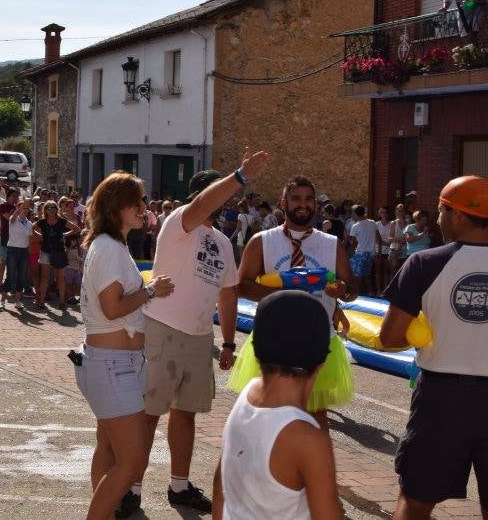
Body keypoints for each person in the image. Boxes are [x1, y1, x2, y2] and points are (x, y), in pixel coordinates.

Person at [134, 157, 262, 517]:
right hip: (163, 328)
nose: (221, 206)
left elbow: (227, 294)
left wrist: (228, 342)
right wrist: (239, 177)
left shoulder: (221, 241)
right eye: (216, 198)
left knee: (185, 413)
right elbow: (204, 203)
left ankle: (179, 486)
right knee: (149, 414)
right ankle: (132, 486)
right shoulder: (180, 223)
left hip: (197, 336)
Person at [379, 175, 488, 520]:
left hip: (442, 399)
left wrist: (428, 333)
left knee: (416, 501)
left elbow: (389, 338)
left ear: (459, 214)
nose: (436, 219)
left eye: (440, 211)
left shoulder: (424, 263)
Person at [75, 171, 174, 520]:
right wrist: (150, 291)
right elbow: (113, 307)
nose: (144, 208)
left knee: (108, 448)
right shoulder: (109, 249)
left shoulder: (112, 246)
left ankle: (105, 511)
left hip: (113, 363)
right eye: (138, 201)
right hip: (112, 364)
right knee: (131, 462)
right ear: (118, 206)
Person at [231, 175, 356, 432]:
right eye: (296, 198)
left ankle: (309, 470)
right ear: (283, 203)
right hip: (274, 337)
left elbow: (352, 289)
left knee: (315, 419)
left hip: (318, 339)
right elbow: (240, 286)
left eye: (309, 199)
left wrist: (342, 290)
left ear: (316, 205)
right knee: (267, 416)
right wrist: (285, 291)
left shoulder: (331, 244)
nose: (303, 204)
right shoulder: (262, 241)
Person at [213, 291, 341, 519]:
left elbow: (220, 481)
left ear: (257, 353)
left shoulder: (247, 396)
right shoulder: (308, 439)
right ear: (322, 362)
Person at [34, 201, 76, 310]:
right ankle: (41, 301)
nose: (52, 209)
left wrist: (65, 234)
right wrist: (41, 236)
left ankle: (62, 301)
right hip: (46, 251)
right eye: (49, 208)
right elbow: (31, 228)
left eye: (54, 207)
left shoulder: (62, 221)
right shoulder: (42, 222)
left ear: (57, 209)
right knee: (44, 278)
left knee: (60, 278)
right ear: (45, 210)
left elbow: (77, 229)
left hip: (59, 251)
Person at [5, 199, 34, 306]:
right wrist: (19, 207)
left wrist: (29, 251)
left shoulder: (29, 223)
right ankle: (3, 299)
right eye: (23, 208)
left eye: (27, 208)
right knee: (11, 275)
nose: (25, 210)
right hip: (13, 249)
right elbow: (13, 217)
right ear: (18, 209)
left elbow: (30, 238)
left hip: (24, 251)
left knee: (22, 276)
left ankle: (17, 301)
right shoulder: (13, 220)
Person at [348, 205, 380, 297]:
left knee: (357, 276)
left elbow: (354, 243)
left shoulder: (355, 226)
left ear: (355, 214)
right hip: (370, 254)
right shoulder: (373, 223)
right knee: (367, 275)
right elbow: (379, 239)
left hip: (359, 254)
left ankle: (356, 295)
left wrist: (350, 254)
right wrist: (379, 252)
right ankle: (371, 293)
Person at [375, 206, 394, 293]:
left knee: (386, 272)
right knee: (378, 271)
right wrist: (383, 243)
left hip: (388, 251)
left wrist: (384, 243)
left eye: (386, 212)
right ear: (380, 213)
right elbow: (375, 239)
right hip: (378, 251)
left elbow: (392, 238)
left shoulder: (392, 224)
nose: (384, 214)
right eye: (382, 212)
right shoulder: (376, 224)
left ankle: (385, 290)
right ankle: (378, 290)